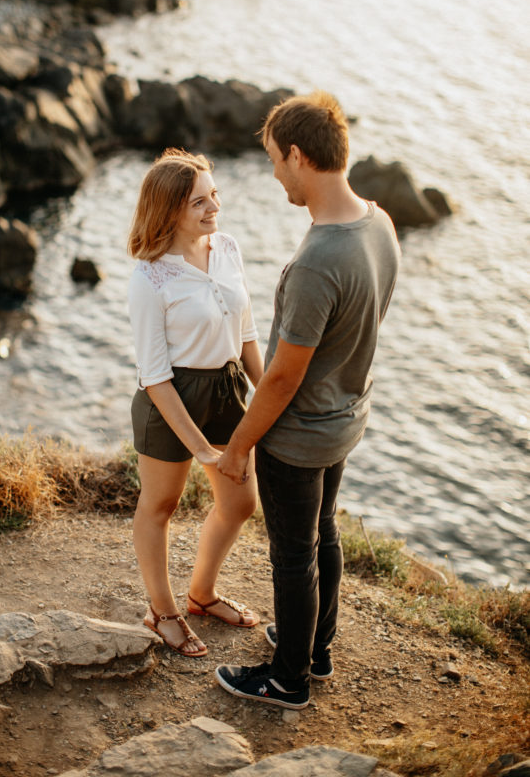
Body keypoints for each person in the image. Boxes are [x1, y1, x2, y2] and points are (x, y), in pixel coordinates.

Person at [214, 92, 401, 708]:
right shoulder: (379, 224)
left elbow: (282, 378)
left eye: (273, 160)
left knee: (293, 557)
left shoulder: (320, 258)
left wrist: (240, 444)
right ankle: (314, 649)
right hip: (346, 416)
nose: (272, 175)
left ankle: (288, 677)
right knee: (323, 534)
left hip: (299, 435)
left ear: (298, 156)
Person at [128, 148, 265, 658]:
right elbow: (155, 377)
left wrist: (267, 393)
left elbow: (246, 330)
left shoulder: (226, 247)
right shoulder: (149, 278)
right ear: (168, 211)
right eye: (199, 203)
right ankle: (163, 611)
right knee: (160, 505)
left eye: (215, 196)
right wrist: (202, 450)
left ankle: (202, 595)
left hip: (229, 388)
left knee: (239, 502)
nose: (214, 209)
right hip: (172, 398)